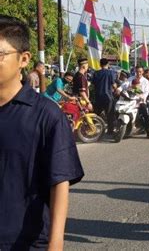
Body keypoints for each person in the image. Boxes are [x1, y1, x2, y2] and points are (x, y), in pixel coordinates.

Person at [0, 14, 84, 250]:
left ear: (23, 59)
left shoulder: (46, 115)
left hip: (23, 241)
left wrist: (55, 244)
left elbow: (59, 182)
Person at [117, 66, 149, 138]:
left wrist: (142, 97)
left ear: (142, 72)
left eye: (140, 72)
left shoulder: (145, 81)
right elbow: (124, 85)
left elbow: (146, 92)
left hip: (139, 101)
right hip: (129, 100)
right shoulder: (131, 79)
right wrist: (118, 89)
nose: (138, 73)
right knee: (118, 110)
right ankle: (118, 129)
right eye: (137, 71)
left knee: (145, 115)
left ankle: (148, 132)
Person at [92, 58, 117, 135]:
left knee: (96, 114)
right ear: (107, 64)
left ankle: (91, 129)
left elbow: (93, 84)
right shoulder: (110, 73)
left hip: (98, 96)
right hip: (108, 97)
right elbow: (113, 84)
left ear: (100, 64)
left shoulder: (95, 73)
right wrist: (116, 88)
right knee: (109, 115)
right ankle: (110, 131)